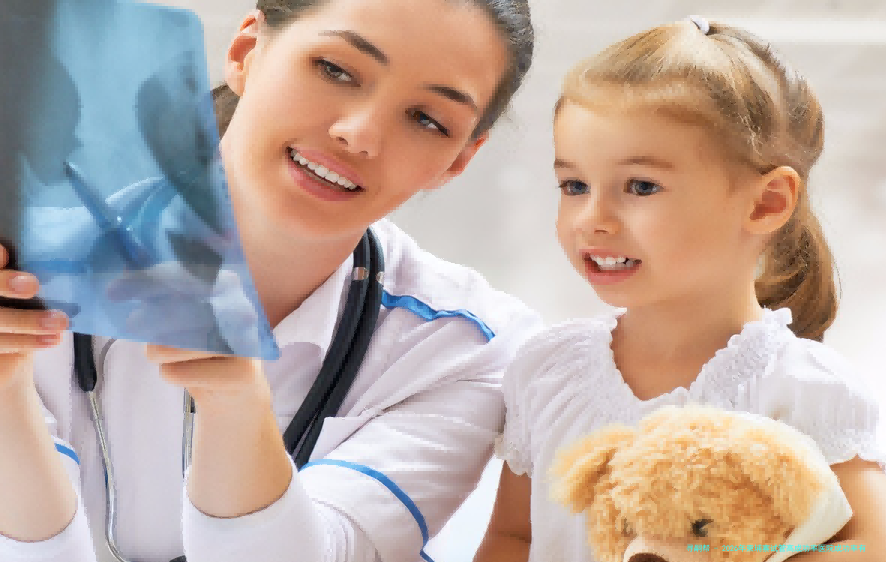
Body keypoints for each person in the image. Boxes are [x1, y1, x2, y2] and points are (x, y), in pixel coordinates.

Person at [0, 0, 542, 561]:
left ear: (458, 159)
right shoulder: (26, 265)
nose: (359, 134)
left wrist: (236, 409)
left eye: (428, 119)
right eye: (335, 70)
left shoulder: (468, 349)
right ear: (246, 53)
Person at [473, 16, 886, 562]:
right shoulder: (547, 371)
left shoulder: (803, 388)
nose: (591, 218)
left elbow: (868, 545)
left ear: (766, 203)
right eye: (574, 185)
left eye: (641, 186)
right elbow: (514, 536)